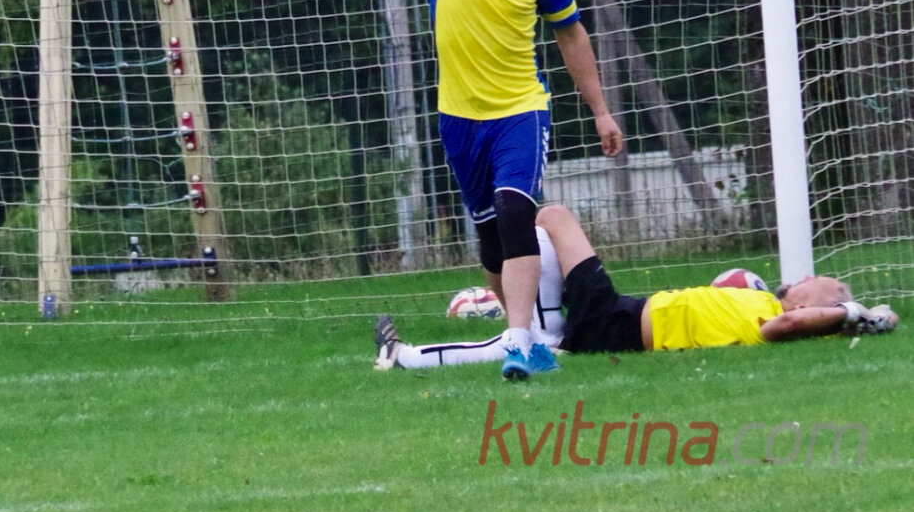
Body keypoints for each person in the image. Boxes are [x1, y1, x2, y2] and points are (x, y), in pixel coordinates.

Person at [356, 0, 623, 380]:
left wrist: (601, 111)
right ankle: (523, 335)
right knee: (491, 241)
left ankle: (521, 342)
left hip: (520, 111)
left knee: (513, 210)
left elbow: (571, 35)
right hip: (459, 119)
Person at [373, 204, 898, 370]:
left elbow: (787, 325)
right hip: (622, 315)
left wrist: (854, 313)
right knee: (544, 230)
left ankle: (412, 354)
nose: (809, 278)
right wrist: (867, 313)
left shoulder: (789, 321)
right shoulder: (759, 293)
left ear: (823, 306)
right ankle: (523, 319)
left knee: (551, 218)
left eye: (828, 286)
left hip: (618, 324)